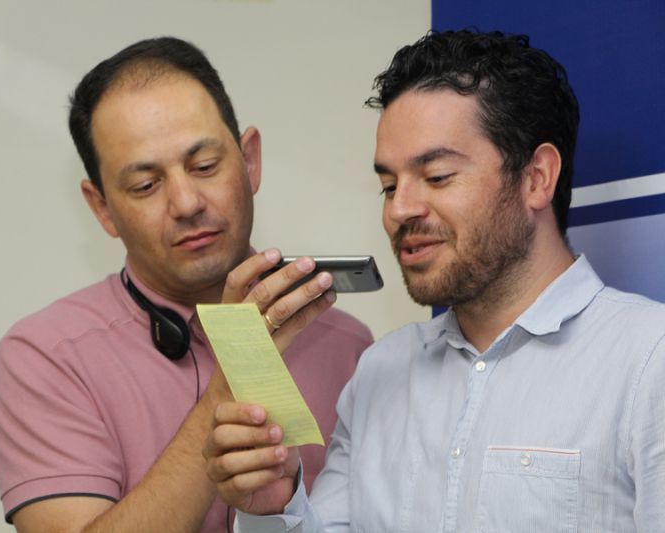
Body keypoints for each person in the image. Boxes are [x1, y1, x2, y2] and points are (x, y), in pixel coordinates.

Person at [205, 30, 665, 531]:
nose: (399, 209)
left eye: (438, 176)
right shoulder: (380, 370)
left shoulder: (648, 361)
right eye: (388, 186)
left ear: (536, 178)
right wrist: (274, 509)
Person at [0, 37, 373, 533]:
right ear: (103, 208)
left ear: (250, 160)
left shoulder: (350, 348)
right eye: (146, 185)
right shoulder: (46, 356)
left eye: (205, 166)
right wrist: (237, 368)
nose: (187, 203)